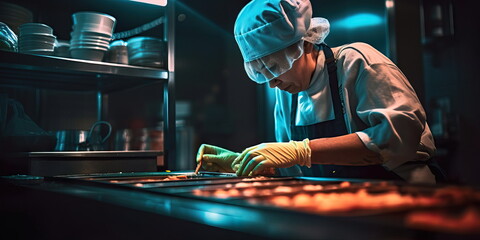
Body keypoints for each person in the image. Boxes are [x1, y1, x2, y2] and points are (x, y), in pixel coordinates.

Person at [196, 0, 443, 184]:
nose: (272, 83)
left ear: (302, 45)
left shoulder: (357, 62)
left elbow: (399, 138)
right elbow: (291, 166)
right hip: (339, 207)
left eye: (274, 67)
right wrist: (247, 162)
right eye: (262, 72)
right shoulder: (287, 93)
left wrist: (303, 151)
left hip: (404, 194)